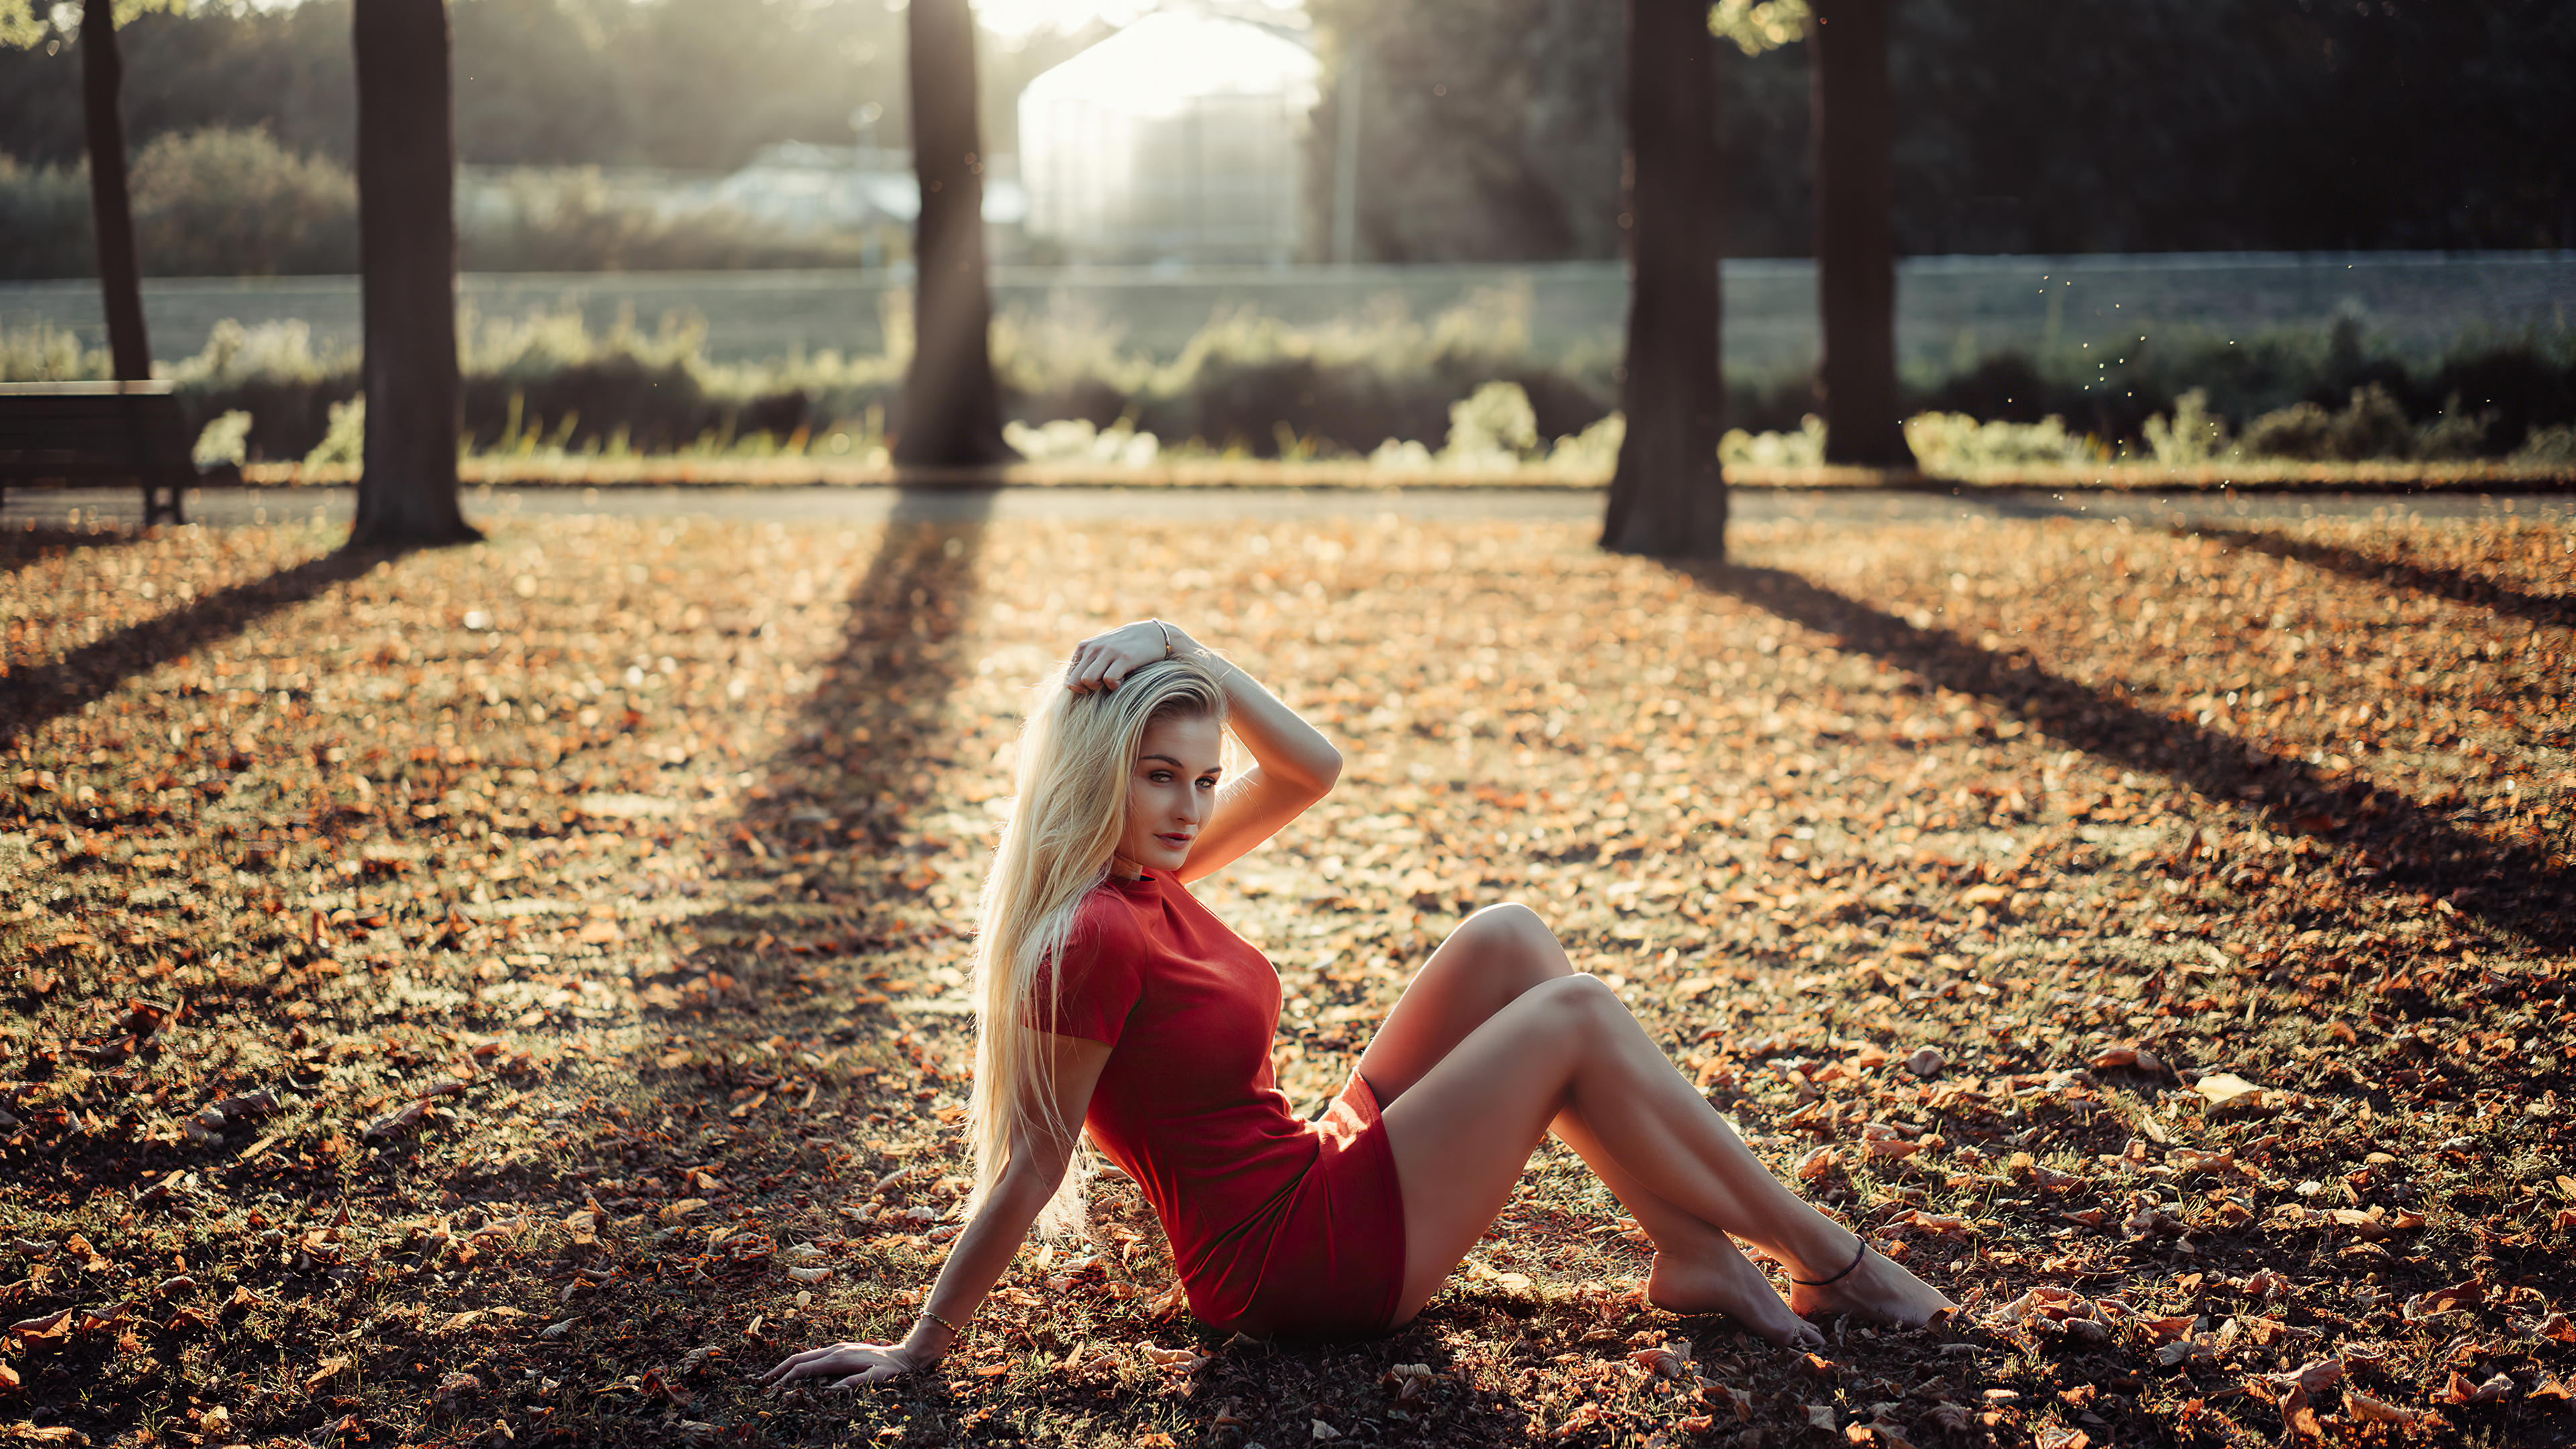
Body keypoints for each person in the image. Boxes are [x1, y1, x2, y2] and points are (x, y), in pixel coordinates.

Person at [763, 620, 1955, 1389]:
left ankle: (1695, 1254)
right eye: (1156, 776)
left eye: (1200, 779)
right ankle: (1824, 1256)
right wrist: (924, 1346)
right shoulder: (1094, 935)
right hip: (1290, 1261)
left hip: (1306, 1170)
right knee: (1575, 1014)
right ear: (1095, 776)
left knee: (1509, 943)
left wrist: (1195, 656)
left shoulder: (1146, 875)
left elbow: (1313, 772)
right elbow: (1030, 1162)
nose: (1186, 808)